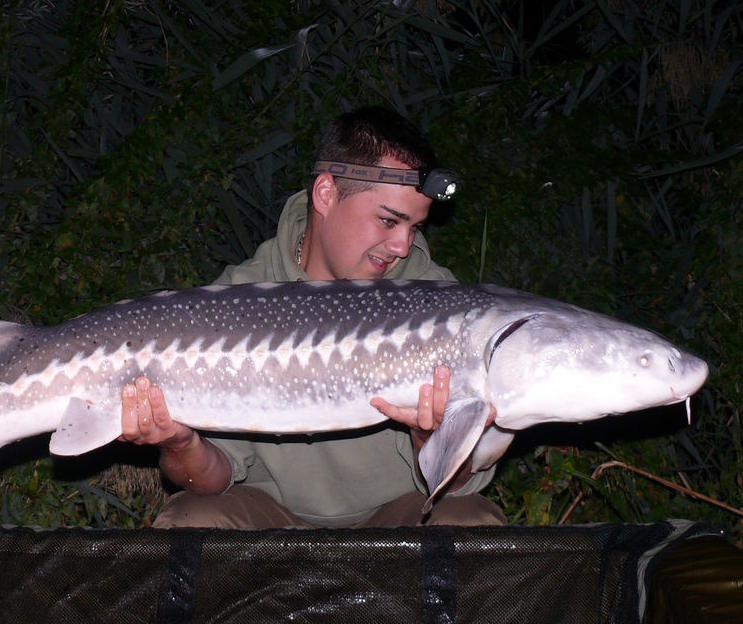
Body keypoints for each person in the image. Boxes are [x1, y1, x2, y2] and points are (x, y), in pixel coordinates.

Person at [120, 105, 505, 529]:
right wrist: (178, 443)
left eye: (414, 227)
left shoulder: (441, 306)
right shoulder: (237, 300)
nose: (401, 245)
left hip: (398, 517)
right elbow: (209, 481)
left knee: (470, 523)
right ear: (326, 194)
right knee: (192, 518)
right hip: (274, 518)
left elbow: (455, 490)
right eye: (387, 220)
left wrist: (430, 437)